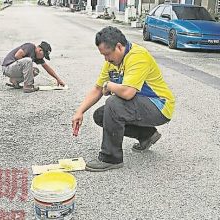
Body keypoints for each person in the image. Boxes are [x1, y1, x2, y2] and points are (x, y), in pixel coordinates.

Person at [71, 26, 175, 172]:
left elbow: (127, 93)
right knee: (101, 115)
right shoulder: (111, 62)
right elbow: (97, 89)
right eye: (103, 56)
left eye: (107, 54)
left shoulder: (138, 56)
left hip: (159, 106)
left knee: (113, 103)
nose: (106, 59)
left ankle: (111, 158)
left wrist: (109, 85)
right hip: (141, 105)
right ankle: (147, 135)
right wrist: (79, 111)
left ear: (119, 47)